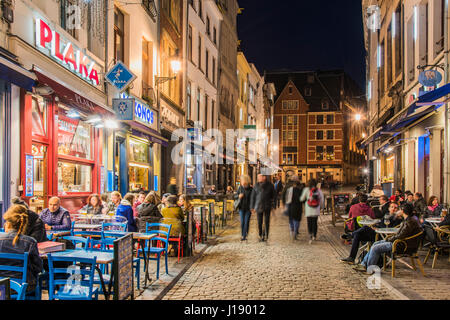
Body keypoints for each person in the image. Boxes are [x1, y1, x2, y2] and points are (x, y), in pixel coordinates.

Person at [353, 203, 422, 274]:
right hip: (400, 242)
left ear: (403, 211)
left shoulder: (409, 222)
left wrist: (388, 239)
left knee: (375, 248)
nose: (398, 211)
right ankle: (364, 265)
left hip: (401, 245)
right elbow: (400, 234)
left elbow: (400, 236)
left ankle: (370, 269)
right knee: (375, 243)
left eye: (400, 210)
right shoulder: (408, 220)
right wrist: (388, 239)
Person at [0, 205, 43, 291]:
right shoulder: (30, 242)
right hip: (23, 286)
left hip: (1, 284)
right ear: (24, 224)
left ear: (7, 223)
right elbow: (38, 268)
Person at [250, 174, 276, 242]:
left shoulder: (270, 185)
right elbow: (253, 196)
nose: (258, 178)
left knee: (267, 221)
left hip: (267, 206)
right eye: (258, 177)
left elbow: (274, 195)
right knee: (259, 222)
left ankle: (266, 235)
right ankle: (260, 234)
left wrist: (273, 204)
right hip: (258, 206)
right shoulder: (256, 185)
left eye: (259, 177)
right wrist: (252, 207)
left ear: (264, 177)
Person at [300, 179, 324, 244]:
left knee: (309, 222)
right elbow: (322, 199)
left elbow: (301, 198)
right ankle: (314, 235)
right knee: (315, 222)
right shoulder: (319, 190)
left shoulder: (306, 190)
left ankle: (310, 234)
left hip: (308, 209)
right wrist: (321, 207)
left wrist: (305, 200)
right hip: (316, 208)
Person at [284, 176, 304, 241]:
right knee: (297, 220)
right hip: (298, 207)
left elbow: (286, 198)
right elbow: (302, 199)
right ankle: (295, 231)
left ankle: (292, 230)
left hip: (290, 206)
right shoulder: (301, 190)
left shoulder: (289, 189)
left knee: (291, 220)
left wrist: (285, 205)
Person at [235, 175, 253, 241]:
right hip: (241, 208)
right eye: (241, 180)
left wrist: (252, 207)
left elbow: (252, 199)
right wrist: (238, 196)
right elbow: (235, 196)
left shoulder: (251, 189)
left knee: (246, 222)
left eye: (242, 180)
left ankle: (245, 235)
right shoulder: (240, 188)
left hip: (248, 209)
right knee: (242, 222)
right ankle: (243, 235)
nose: (241, 182)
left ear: (246, 181)